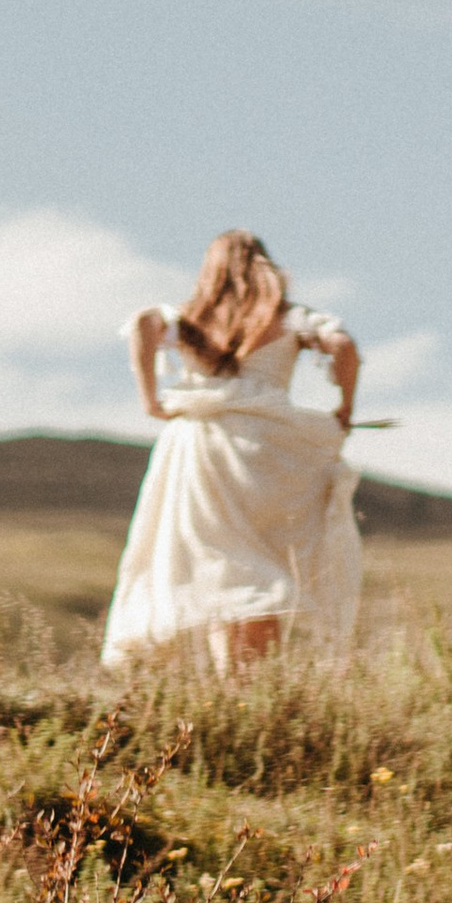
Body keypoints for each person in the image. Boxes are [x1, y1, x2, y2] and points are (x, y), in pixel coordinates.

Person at [102, 230, 362, 676]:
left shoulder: (188, 317)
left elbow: (144, 323)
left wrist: (151, 399)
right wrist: (344, 409)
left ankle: (235, 686)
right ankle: (250, 685)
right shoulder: (289, 318)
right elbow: (342, 346)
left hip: (201, 447)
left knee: (219, 560)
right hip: (268, 448)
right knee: (263, 558)